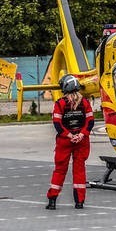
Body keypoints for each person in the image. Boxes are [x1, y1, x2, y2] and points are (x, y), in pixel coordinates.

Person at [46, 74, 94, 210]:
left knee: (60, 170)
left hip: (64, 142)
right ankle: (79, 202)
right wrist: (81, 135)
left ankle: (52, 201)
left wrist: (69, 135)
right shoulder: (85, 103)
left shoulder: (60, 104)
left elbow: (57, 124)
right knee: (79, 170)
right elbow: (90, 122)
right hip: (81, 141)